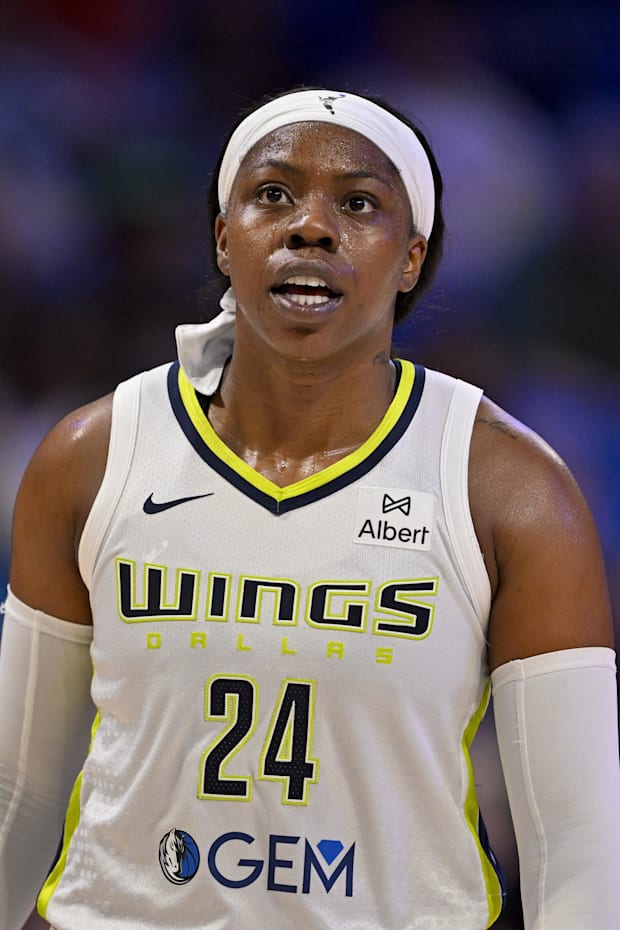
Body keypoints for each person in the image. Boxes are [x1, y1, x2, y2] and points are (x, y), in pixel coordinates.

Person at [1, 87, 619, 930]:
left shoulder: (509, 489)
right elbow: (19, 790)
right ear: (226, 239)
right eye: (273, 196)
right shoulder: (91, 458)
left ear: (411, 259)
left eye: (358, 204)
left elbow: (578, 843)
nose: (310, 227)